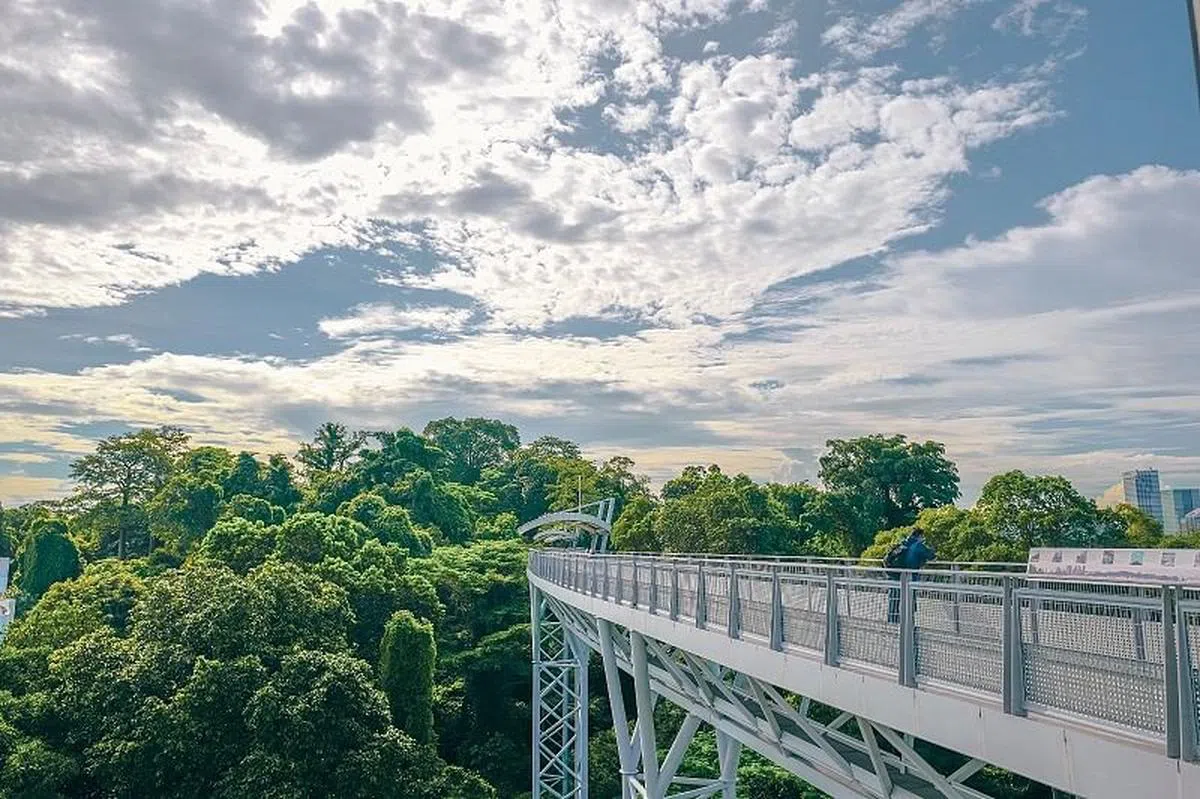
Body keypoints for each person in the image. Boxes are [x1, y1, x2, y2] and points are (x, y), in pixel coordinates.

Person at [886, 527, 936, 624]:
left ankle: (892, 621)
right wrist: (932, 549)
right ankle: (908, 623)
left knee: (894, 599)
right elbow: (931, 556)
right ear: (920, 536)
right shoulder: (918, 546)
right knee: (909, 601)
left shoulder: (903, 543)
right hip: (910, 578)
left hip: (895, 576)